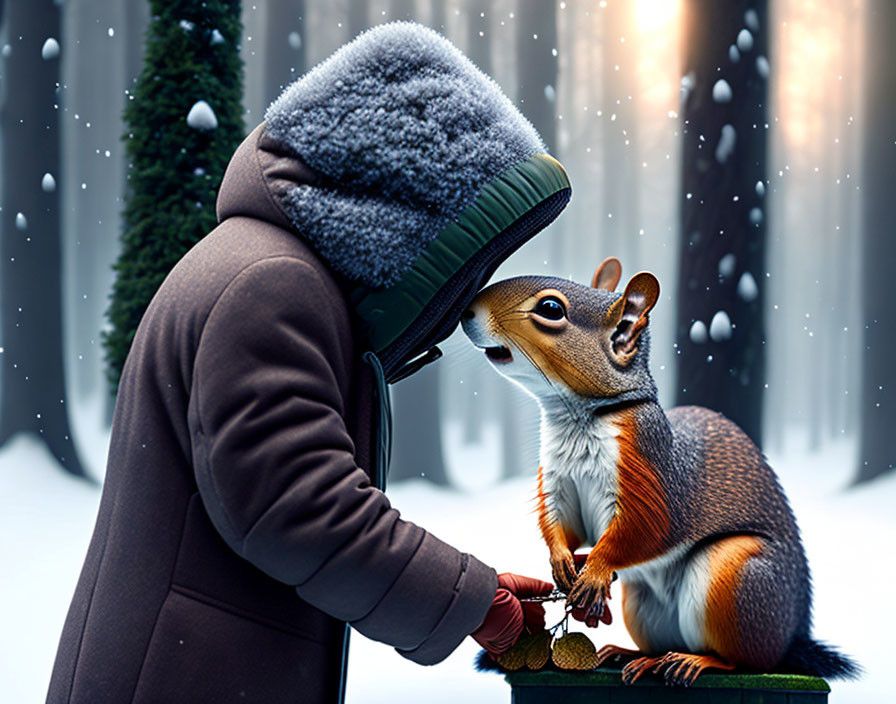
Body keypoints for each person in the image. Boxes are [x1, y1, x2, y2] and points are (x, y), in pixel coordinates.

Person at [47, 22, 571, 703]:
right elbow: (294, 504)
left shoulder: (263, 267)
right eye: (462, 264)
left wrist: (477, 590)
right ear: (403, 215)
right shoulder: (272, 287)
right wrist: (467, 600)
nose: (465, 301)